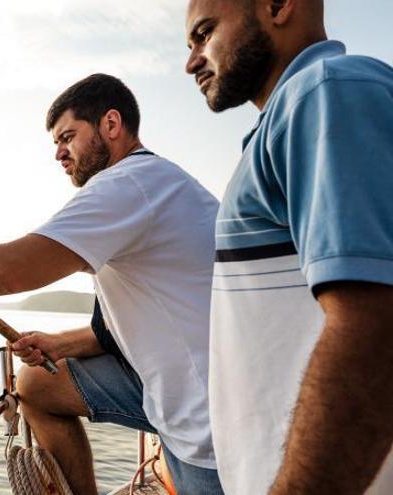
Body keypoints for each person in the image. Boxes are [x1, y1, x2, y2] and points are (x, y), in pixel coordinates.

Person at [0, 74, 223, 494]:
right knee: (37, 384)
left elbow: (9, 271)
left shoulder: (128, 185)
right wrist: (60, 344)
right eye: (55, 142)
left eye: (68, 137)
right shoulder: (158, 184)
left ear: (110, 124)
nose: (59, 153)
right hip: (181, 384)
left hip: (207, 419)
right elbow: (129, 328)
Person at [184, 0, 393, 493]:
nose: (191, 61)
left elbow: (376, 325)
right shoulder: (289, 118)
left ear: (278, 6)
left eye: (205, 33)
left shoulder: (326, 92)